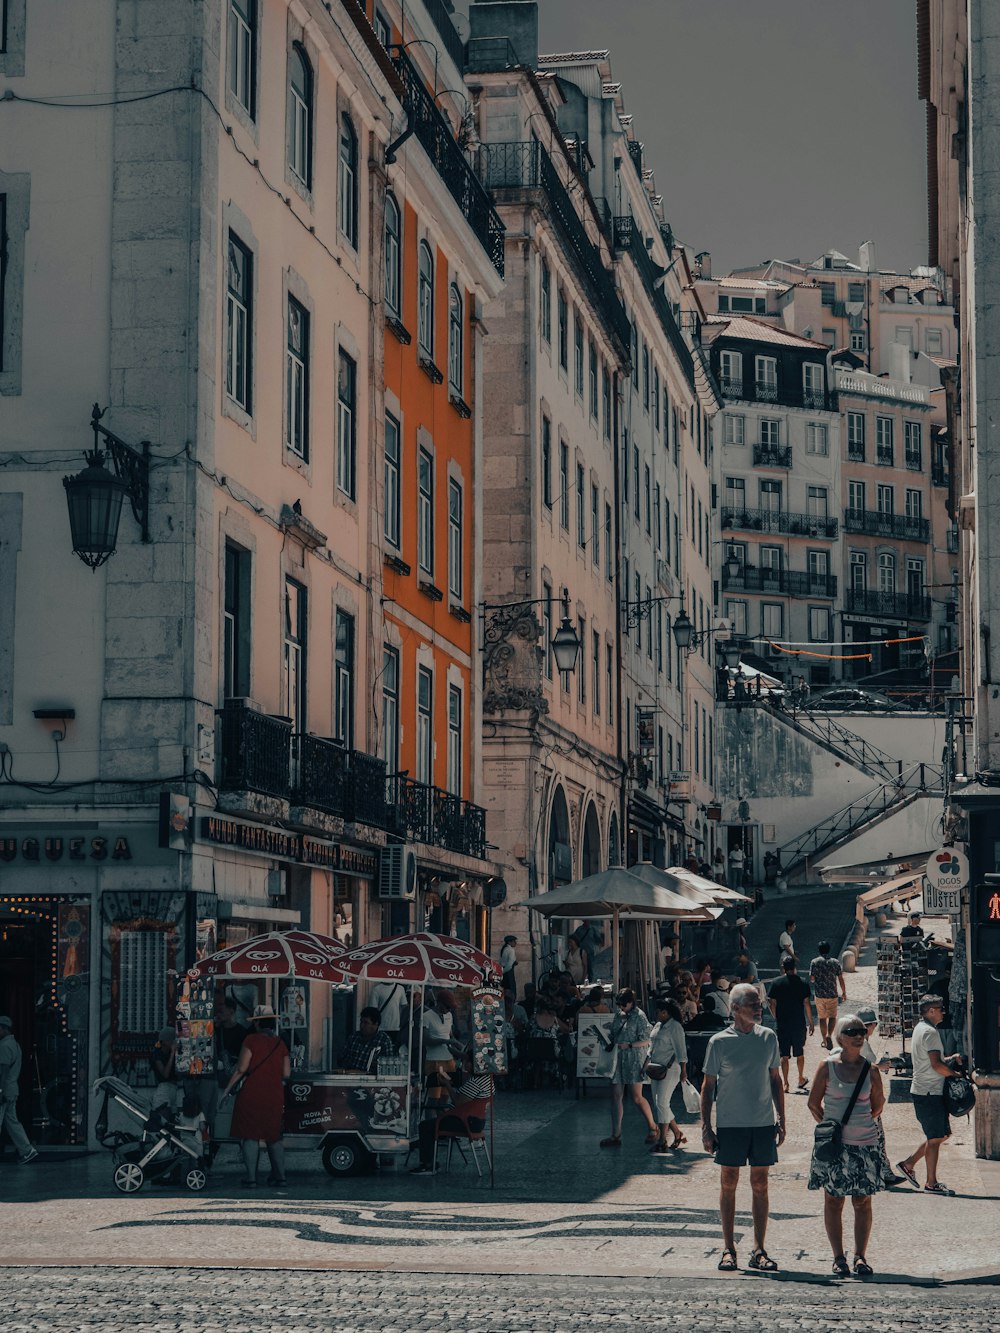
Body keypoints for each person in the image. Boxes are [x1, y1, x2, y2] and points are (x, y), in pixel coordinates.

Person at [700, 983, 784, 1273]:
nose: (758, 1007)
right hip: (731, 1123)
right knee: (729, 1183)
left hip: (761, 1122)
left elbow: (776, 1080)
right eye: (752, 1003)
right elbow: (707, 1087)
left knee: (761, 1184)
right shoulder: (719, 1042)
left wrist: (782, 1118)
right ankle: (728, 1248)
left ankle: (759, 1248)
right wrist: (706, 1128)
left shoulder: (768, 1038)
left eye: (759, 1003)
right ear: (735, 1009)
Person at [806, 1013, 886, 1277]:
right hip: (835, 1146)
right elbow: (813, 1103)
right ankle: (838, 1257)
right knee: (834, 1200)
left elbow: (878, 1105)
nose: (859, 1036)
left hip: (865, 1143)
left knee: (863, 1200)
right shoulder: (826, 1067)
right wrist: (832, 1127)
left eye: (862, 1031)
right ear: (840, 1036)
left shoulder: (871, 1070)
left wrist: (858, 1124)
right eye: (852, 1031)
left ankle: (860, 1256)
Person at [895, 994, 964, 1195]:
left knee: (939, 1135)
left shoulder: (920, 1029)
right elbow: (935, 1065)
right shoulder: (931, 1033)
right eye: (940, 1008)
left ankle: (908, 1164)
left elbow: (931, 1060)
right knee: (935, 1138)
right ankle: (931, 1183)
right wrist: (955, 1073)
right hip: (929, 1092)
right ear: (931, 1011)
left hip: (924, 1090)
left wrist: (950, 1058)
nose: (944, 1011)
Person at [832, 1007, 906, 1189]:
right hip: (863, 1101)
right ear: (869, 1026)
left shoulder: (854, 1046)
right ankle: (881, 1174)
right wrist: (878, 1067)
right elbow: (860, 1068)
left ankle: (877, 1172)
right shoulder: (860, 1044)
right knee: (876, 1138)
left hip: (857, 1101)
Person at [222, 1004, 291, 1188]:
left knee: (250, 1136)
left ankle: (251, 1178)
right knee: (274, 1136)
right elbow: (286, 1073)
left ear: (257, 1024)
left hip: (252, 1093)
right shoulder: (280, 1042)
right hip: (275, 1094)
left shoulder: (251, 1040)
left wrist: (227, 1090)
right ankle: (280, 1177)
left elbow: (241, 1069)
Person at [410, 1057, 493, 1175]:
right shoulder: (487, 1080)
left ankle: (428, 1164)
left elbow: (458, 1103)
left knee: (425, 1126)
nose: (464, 1064)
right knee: (433, 1123)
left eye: (466, 1062)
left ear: (472, 1064)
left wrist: (447, 1085)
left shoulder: (475, 1083)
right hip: (477, 1121)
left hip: (465, 1122)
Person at [600, 988, 658, 1148]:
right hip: (618, 1058)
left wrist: (630, 1045)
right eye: (618, 1004)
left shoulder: (639, 1016)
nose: (620, 1007)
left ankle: (653, 1127)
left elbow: (647, 1040)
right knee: (616, 1096)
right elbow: (614, 1033)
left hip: (633, 1059)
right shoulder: (619, 1014)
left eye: (623, 1004)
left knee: (636, 1097)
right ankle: (615, 1134)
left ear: (631, 1002)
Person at [648, 997, 689, 1154]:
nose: (656, 1014)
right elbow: (651, 1047)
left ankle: (662, 1140)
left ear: (665, 1012)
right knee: (660, 1104)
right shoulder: (658, 1025)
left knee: (662, 1102)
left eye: (658, 1012)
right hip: (655, 1068)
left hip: (671, 1069)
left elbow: (681, 1050)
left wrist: (684, 1070)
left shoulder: (675, 1027)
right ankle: (677, 1133)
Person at [767, 957, 814, 1093]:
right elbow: (806, 1004)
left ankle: (786, 1083)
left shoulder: (776, 983)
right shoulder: (803, 983)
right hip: (798, 1023)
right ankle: (800, 1078)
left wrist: (776, 1016)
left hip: (782, 1023)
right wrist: (810, 1022)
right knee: (799, 1052)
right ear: (794, 967)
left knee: (784, 1055)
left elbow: (772, 1003)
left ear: (783, 967)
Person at [0, 1016, 39, 1164]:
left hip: (4, 1090)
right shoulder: (15, 1045)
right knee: (12, 1121)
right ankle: (27, 1150)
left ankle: (27, 1150)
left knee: (9, 1121)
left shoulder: (4, 1046)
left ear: (3, 1028)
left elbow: (3, 1071)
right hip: (11, 1089)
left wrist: (0, 1091)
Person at [809, 940, 847, 1050]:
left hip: (820, 995)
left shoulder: (814, 962)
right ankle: (829, 1035)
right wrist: (844, 992)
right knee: (832, 1017)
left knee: (822, 1018)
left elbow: (812, 979)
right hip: (832, 994)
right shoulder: (835, 962)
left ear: (819, 950)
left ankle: (824, 1039)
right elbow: (840, 978)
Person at [422, 989, 457, 1102]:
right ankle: (431, 1119)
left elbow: (450, 1035)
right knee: (434, 1098)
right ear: (439, 1003)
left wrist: (456, 1045)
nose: (449, 1010)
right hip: (434, 1060)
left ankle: (441, 1119)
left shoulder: (449, 1015)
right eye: (447, 1007)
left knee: (445, 1097)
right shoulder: (427, 1016)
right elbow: (426, 1040)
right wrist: (445, 1042)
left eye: (450, 1008)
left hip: (449, 1060)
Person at [337, 1006, 395, 1073]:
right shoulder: (353, 1037)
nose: (362, 1025)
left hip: (371, 1079)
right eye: (361, 1022)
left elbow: (388, 1065)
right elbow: (341, 1058)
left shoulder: (384, 1041)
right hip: (350, 1076)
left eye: (366, 1023)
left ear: (376, 1024)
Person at [150, 1027, 182, 1112]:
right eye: (171, 1040)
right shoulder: (157, 1054)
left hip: (174, 1087)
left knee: (174, 1113)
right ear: (164, 1041)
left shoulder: (172, 1052)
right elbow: (165, 1074)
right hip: (164, 1087)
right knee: (164, 1112)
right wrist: (172, 1053)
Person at [215, 997, 249, 1074]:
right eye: (217, 1012)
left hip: (235, 1072)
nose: (218, 1015)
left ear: (231, 1011)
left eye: (221, 1011)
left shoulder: (242, 1032)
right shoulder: (216, 1030)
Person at [369, 980, 405, 1051]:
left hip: (396, 1027)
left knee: (393, 1053)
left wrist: (402, 1024)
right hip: (381, 1027)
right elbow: (372, 1010)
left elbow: (404, 1006)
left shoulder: (400, 988)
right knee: (379, 1051)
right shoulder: (376, 989)